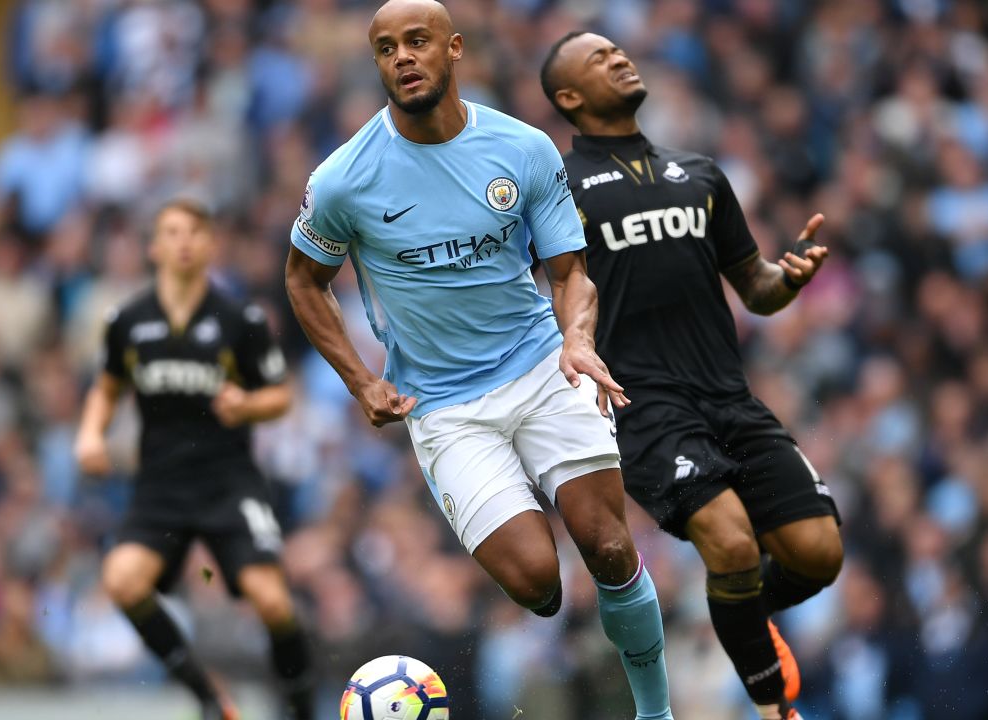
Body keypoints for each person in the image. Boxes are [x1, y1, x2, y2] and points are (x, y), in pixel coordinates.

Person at [283, 2, 675, 719]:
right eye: (385, 48)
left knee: (610, 548)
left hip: (539, 364)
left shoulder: (522, 149)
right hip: (445, 408)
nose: (401, 57)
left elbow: (569, 271)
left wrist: (579, 340)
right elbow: (303, 281)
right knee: (539, 587)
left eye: (417, 42)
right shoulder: (343, 180)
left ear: (454, 49)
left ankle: (656, 714)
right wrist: (362, 380)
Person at [541, 31, 845, 720]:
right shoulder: (558, 187)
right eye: (599, 58)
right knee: (732, 540)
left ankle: (740, 615)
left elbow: (756, 287)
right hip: (643, 408)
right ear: (569, 97)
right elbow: (554, 287)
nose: (619, 57)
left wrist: (788, 277)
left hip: (728, 397)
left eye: (619, 51)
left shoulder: (700, 173)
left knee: (818, 552)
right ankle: (775, 707)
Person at [75, 199, 314, 720]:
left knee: (273, 603)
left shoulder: (240, 319)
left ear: (210, 246)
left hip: (228, 481)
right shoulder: (129, 321)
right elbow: (106, 387)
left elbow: (280, 396)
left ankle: (299, 706)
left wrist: (247, 403)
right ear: (154, 247)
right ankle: (207, 697)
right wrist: (91, 434)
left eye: (194, 232)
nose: (183, 241)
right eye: (172, 232)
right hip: (159, 487)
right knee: (121, 580)